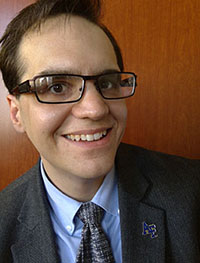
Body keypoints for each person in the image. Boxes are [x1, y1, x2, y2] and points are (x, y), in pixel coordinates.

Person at [0, 0, 199, 262]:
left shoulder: (192, 194)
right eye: (57, 87)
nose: (95, 109)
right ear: (16, 113)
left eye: (107, 82)